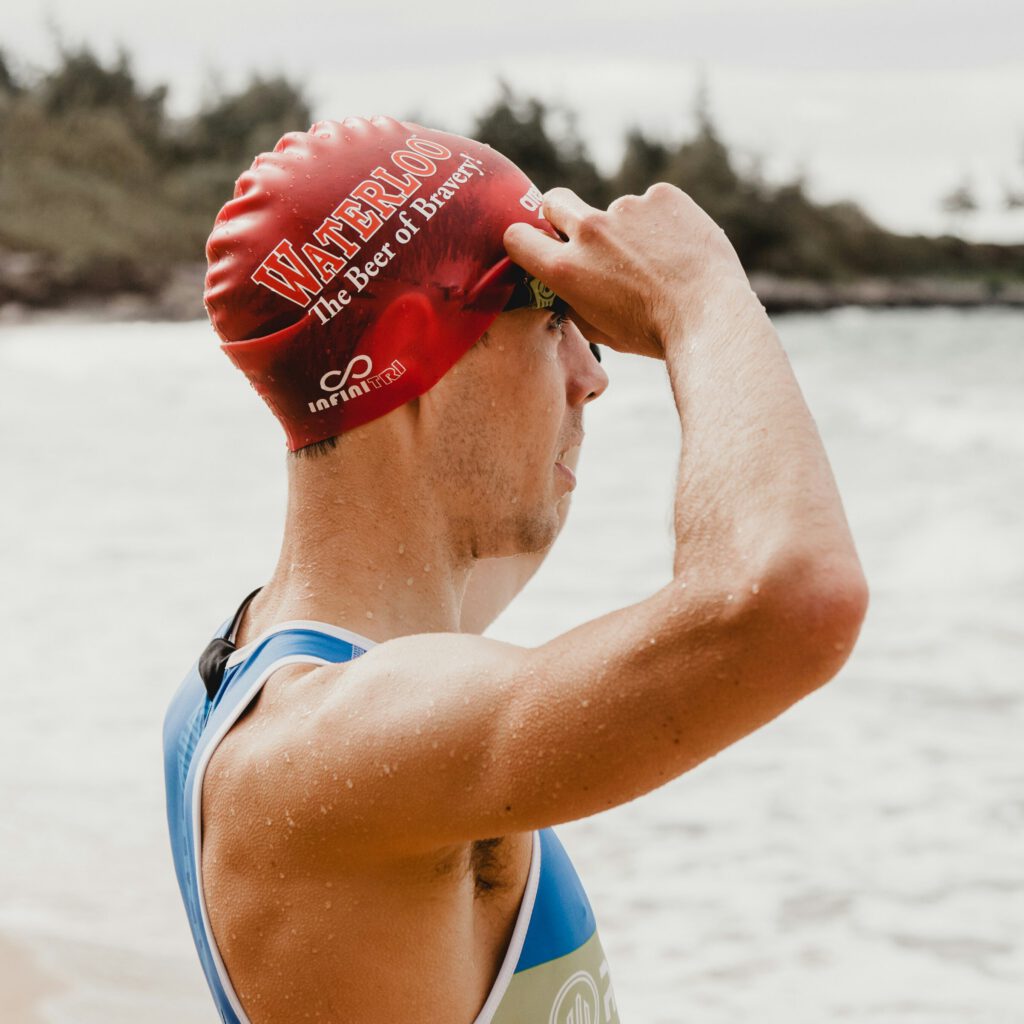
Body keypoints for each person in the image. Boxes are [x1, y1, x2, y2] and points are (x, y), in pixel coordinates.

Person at [163, 115, 869, 1024]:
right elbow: (787, 599)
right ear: (410, 352)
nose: (594, 374)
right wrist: (698, 294)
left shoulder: (252, 667)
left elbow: (524, 516)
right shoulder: (335, 747)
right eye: (553, 316)